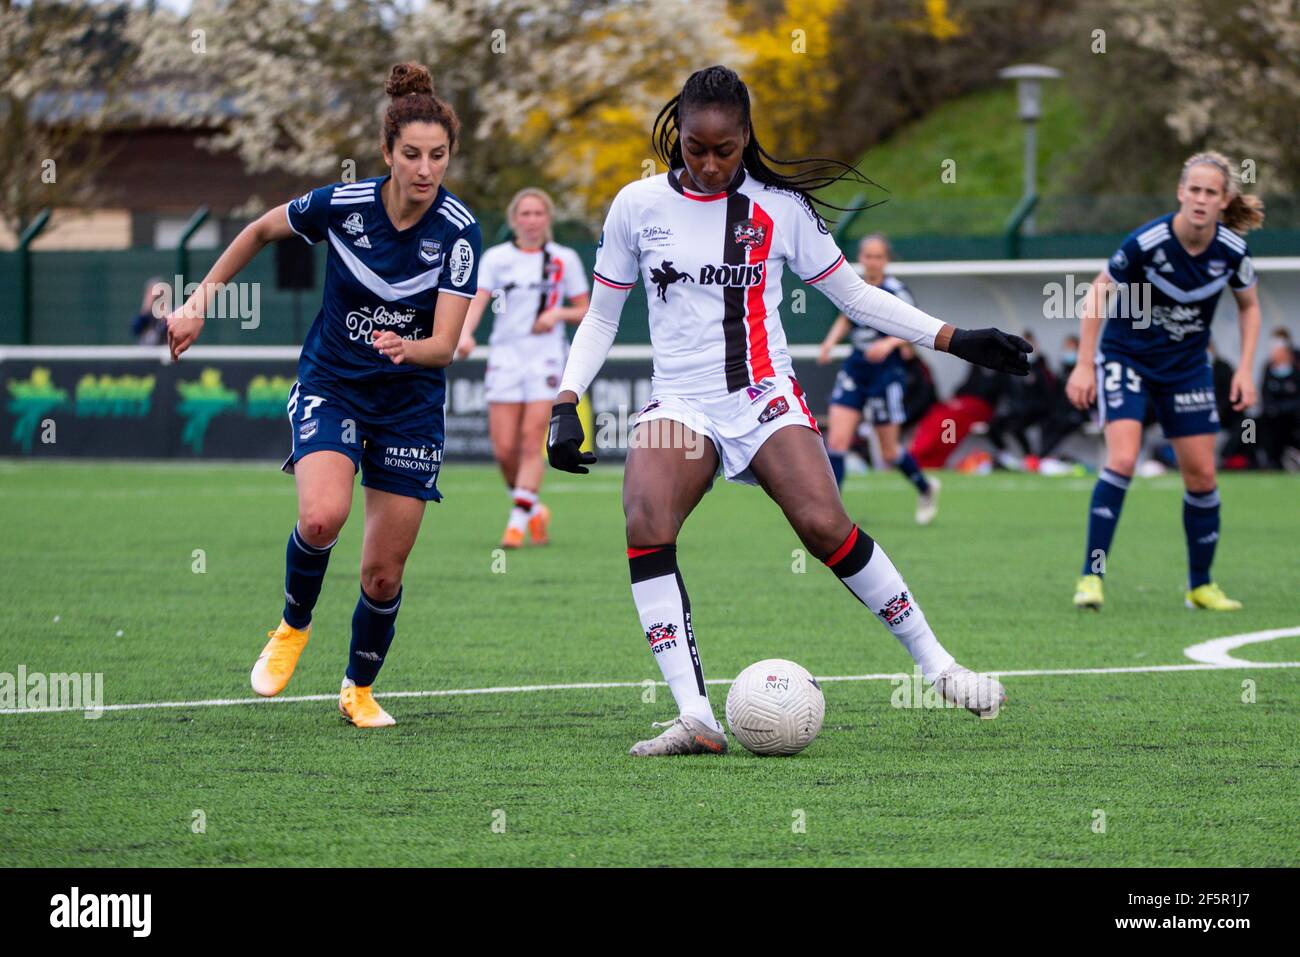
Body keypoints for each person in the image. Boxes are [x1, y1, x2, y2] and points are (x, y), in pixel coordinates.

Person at [546, 65, 1032, 756]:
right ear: (675, 136)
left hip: (763, 392)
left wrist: (958, 339)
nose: (710, 164)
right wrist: (567, 399)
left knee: (822, 523)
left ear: (747, 136)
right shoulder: (635, 207)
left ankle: (940, 667)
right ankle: (695, 715)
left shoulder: (781, 209)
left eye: (725, 149)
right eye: (694, 148)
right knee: (645, 518)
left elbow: (856, 298)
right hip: (681, 400)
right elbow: (599, 317)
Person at [165, 63, 481, 726]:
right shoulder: (342, 205)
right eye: (413, 155)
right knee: (320, 518)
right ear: (388, 154)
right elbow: (257, 231)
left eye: (439, 156)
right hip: (333, 385)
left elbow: (447, 343)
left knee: (383, 576)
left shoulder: (458, 231)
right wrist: (196, 303)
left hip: (410, 402)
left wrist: (406, 346)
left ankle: (358, 689)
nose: (426, 170)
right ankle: (291, 624)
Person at [1067, 151, 1262, 611]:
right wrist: (1083, 363)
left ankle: (1200, 585)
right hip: (1126, 358)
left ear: (1224, 200)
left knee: (1203, 474)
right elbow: (1099, 289)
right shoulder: (1147, 241)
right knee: (1124, 458)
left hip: (1186, 369)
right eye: (1193, 190)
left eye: (1210, 192)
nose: (1200, 198)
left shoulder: (1232, 252)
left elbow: (1249, 306)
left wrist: (1247, 369)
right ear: (1180, 193)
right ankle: (1090, 578)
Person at [456, 188, 590, 547]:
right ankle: (533, 509)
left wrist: (557, 313)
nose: (532, 220)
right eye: (525, 214)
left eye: (538, 214)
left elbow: (585, 309)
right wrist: (465, 335)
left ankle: (516, 523)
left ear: (548, 219)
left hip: (546, 358)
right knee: (503, 448)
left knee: (533, 441)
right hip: (505, 357)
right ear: (514, 219)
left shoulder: (564, 259)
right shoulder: (496, 259)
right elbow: (477, 301)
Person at [817, 234, 940, 523]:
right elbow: (847, 317)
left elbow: (915, 325)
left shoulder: (896, 290)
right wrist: (829, 342)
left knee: (888, 452)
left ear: (886, 260)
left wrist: (889, 344)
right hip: (856, 368)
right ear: (861, 258)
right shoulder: (853, 287)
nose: (872, 261)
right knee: (836, 440)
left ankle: (925, 487)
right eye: (867, 256)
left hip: (886, 373)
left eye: (877, 256)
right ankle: (834, 513)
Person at [907, 364, 1004, 469]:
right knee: (938, 412)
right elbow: (967, 385)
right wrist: (956, 399)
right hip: (964, 403)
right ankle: (918, 451)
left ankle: (933, 457)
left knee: (949, 421)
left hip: (978, 407)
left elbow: (991, 392)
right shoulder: (977, 365)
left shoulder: (1002, 369)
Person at [1259, 328, 1300, 469]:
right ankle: (1259, 459)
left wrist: (1284, 408)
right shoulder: (1268, 367)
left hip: (1295, 414)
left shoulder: (1297, 365)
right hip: (1274, 416)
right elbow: (1264, 394)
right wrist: (1272, 408)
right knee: (1249, 424)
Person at [131, 277, 168, 345]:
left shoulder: (172, 314)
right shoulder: (145, 316)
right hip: (145, 353)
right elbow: (135, 329)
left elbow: (168, 331)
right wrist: (146, 309)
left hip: (165, 353)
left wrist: (163, 316)